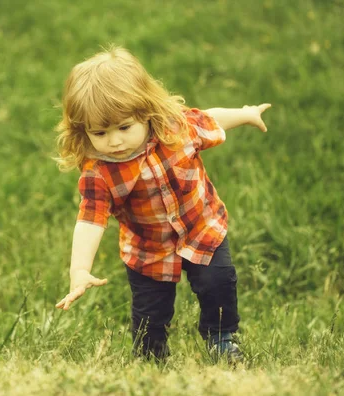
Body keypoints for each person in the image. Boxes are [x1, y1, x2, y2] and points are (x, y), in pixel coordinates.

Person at [54, 46, 271, 363]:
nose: (114, 141)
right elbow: (90, 220)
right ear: (82, 130)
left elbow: (209, 118)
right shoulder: (99, 173)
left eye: (124, 127)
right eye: (100, 132)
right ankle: (150, 358)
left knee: (219, 285)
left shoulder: (175, 128)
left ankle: (221, 338)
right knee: (149, 313)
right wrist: (80, 269)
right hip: (147, 249)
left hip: (201, 228)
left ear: (145, 112)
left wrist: (245, 114)